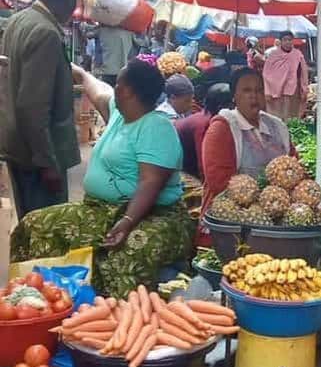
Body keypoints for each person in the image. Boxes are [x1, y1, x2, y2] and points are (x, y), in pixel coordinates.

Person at [11, 60, 192, 298]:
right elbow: (97, 89)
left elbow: (151, 182)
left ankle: (120, 311)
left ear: (127, 90)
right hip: (102, 209)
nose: (114, 87)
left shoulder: (157, 127)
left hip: (153, 215)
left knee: (129, 252)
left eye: (118, 83)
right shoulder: (119, 113)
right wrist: (78, 72)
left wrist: (127, 221)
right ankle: (42, 298)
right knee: (36, 224)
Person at [0, 0, 80, 220]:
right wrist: (47, 164)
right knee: (47, 227)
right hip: (39, 155)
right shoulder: (46, 32)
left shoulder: (17, 21)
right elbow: (33, 106)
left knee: (29, 221)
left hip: (18, 145)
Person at [199, 68, 295, 244]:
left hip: (277, 218)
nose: (254, 96)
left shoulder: (277, 127)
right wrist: (262, 201)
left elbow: (295, 167)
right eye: (246, 90)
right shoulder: (223, 127)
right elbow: (218, 182)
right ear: (234, 96)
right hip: (231, 224)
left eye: (259, 90)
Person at [176, 83, 231, 179]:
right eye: (233, 105)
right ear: (221, 107)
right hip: (179, 171)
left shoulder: (211, 118)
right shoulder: (204, 125)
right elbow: (204, 166)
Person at [262, 31, 308, 121]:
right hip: (275, 92)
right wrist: (267, 91)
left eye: (289, 40)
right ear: (281, 41)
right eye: (285, 40)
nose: (287, 42)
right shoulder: (273, 55)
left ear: (292, 41)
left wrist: (304, 89)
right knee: (276, 118)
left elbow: (303, 73)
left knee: (291, 117)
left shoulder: (298, 55)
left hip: (292, 90)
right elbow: (266, 73)